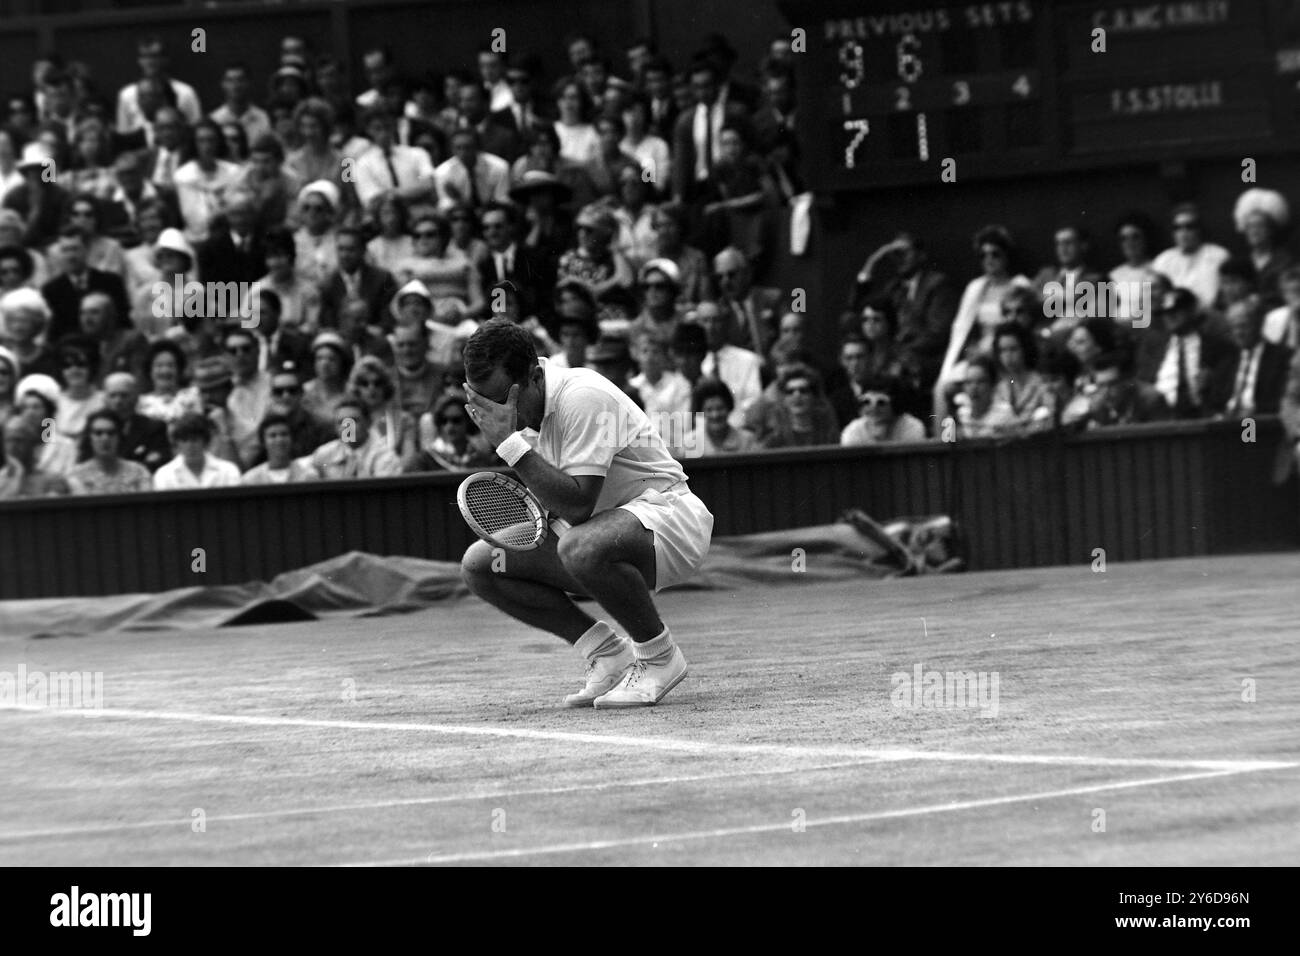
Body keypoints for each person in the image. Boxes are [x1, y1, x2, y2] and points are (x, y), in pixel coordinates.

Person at [459, 319, 715, 707]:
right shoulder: (522, 414)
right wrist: (515, 442)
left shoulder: (582, 397)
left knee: (579, 546)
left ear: (533, 375)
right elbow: (561, 506)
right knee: (481, 564)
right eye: (482, 402)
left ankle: (659, 656)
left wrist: (509, 444)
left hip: (669, 522)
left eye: (502, 400)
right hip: (601, 531)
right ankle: (607, 653)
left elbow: (578, 507)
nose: (496, 414)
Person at [934, 224, 1030, 421]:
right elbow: (961, 327)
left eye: (995, 254)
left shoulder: (1019, 284)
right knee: (945, 389)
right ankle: (945, 440)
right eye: (983, 255)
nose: (989, 260)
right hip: (980, 354)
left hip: (1007, 351)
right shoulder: (976, 287)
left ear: (1006, 256)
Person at [1136, 287, 1237, 419]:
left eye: (1175, 311)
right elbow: (1142, 382)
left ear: (1192, 311)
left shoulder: (1217, 346)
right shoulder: (1154, 344)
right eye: (1165, 313)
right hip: (1157, 417)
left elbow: (1225, 385)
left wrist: (1211, 382)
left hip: (1200, 416)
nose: (1169, 317)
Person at [1151, 203, 1230, 311]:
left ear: (1199, 229)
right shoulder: (1162, 261)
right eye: (1178, 228)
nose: (1184, 232)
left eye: (1189, 227)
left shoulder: (1218, 256)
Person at [1221, 298, 1292, 418]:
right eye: (1233, 327)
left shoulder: (1281, 357)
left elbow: (1283, 399)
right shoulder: (1227, 360)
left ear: (1259, 323)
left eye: (1243, 326)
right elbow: (1215, 402)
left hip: (1262, 424)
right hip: (1228, 425)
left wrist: (1253, 412)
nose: (1238, 333)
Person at [347, 355, 419, 472]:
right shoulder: (348, 420)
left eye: (377, 383)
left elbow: (409, 458)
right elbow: (346, 452)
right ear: (356, 388)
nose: (372, 388)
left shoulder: (405, 419)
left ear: (385, 386)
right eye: (365, 383)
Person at [695, 300, 761, 426]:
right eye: (705, 321)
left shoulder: (748, 360)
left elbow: (753, 402)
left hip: (739, 430)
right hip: (700, 436)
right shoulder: (690, 363)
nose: (710, 327)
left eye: (716, 320)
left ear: (724, 323)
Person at [308, 395, 402, 478]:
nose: (347, 427)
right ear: (335, 427)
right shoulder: (324, 454)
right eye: (341, 422)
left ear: (368, 422)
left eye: (354, 420)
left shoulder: (385, 456)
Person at [65, 408, 152, 494]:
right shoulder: (76, 475)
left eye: (111, 433)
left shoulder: (139, 473)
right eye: (98, 433)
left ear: (119, 437)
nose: (105, 438)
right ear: (89, 438)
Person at [753, 362, 839, 448]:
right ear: (784, 399)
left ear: (814, 396)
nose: (797, 395)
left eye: (803, 390)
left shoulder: (828, 436)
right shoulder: (774, 441)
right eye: (790, 392)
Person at [992, 321, 1058, 432]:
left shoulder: (1042, 384)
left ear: (1025, 349)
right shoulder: (999, 389)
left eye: (1013, 349)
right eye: (1002, 350)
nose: (1008, 356)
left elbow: (1050, 420)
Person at [1233, 188, 1292, 310]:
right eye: (1250, 226)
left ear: (1271, 230)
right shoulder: (1239, 262)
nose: (1254, 231)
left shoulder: (1285, 262)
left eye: (1260, 226)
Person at [153, 411, 242, 490]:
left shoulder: (228, 471)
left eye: (194, 440)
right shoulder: (163, 475)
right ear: (177, 443)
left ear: (205, 441)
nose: (190, 446)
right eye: (184, 440)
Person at [415, 389, 496, 471]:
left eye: (456, 420)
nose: (450, 426)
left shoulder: (481, 458)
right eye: (444, 420)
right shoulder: (426, 460)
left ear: (467, 421)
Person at [840, 375, 927, 445]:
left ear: (895, 404)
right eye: (866, 401)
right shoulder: (854, 432)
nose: (873, 408)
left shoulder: (911, 428)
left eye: (881, 402)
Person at [0, 415, 68, 498]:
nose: (13, 446)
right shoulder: (2, 480)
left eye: (19, 440)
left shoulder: (52, 480)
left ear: (32, 443)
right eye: (8, 440)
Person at [241, 413, 317, 485]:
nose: (279, 440)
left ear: (292, 439)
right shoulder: (250, 480)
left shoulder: (308, 476)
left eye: (284, 434)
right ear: (263, 442)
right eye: (273, 435)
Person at [138, 339, 201, 424]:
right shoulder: (141, 404)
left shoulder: (193, 395)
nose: (165, 371)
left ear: (179, 369)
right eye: (159, 366)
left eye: (171, 365)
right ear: (150, 370)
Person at [954, 355, 1018, 438]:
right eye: (969, 382)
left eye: (980, 382)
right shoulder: (961, 415)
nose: (974, 387)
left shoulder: (1005, 415)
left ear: (992, 385)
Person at [690, 378, 757, 454]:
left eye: (720, 408)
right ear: (701, 411)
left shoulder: (747, 441)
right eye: (709, 410)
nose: (715, 415)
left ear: (729, 408)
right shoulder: (689, 444)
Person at [302, 330, 353, 423]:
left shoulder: (351, 394)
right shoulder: (304, 392)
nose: (324, 364)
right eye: (319, 358)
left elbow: (350, 435)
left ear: (342, 363)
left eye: (331, 359)